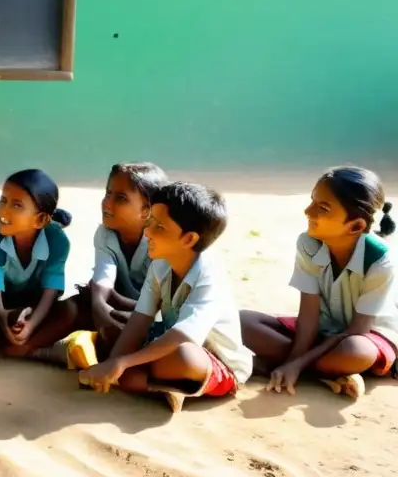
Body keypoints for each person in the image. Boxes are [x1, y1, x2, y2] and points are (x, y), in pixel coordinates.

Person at [79, 183, 252, 413]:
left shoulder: (210, 274)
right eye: (149, 221)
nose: (147, 231)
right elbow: (141, 319)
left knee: (182, 354)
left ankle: (160, 383)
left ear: (189, 239)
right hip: (167, 343)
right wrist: (113, 363)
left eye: (159, 226)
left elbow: (183, 336)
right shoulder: (161, 263)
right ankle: (164, 387)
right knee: (116, 332)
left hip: (211, 360)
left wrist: (123, 363)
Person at [240, 166, 397, 400]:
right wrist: (294, 361)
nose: (308, 211)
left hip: (365, 335)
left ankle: (320, 368)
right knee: (242, 322)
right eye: (313, 201)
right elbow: (309, 315)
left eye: (322, 208)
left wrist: (297, 364)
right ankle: (331, 373)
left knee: (355, 352)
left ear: (356, 226)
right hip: (322, 331)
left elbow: (357, 330)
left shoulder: (380, 260)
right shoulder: (308, 244)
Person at [0, 169, 77, 362]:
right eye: (3, 200)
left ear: (41, 219)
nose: (4, 210)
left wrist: (31, 324)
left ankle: (13, 348)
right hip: (1, 309)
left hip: (37, 309)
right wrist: (4, 320)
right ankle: (28, 351)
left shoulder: (57, 240)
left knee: (69, 311)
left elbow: (50, 292)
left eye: (17, 205)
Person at [58, 163, 168, 370]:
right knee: (71, 307)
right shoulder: (106, 234)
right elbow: (104, 277)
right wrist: (99, 304)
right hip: (118, 309)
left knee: (145, 329)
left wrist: (107, 302)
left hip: (150, 314)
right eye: (108, 193)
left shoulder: (160, 242)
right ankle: (42, 350)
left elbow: (159, 305)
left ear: (147, 210)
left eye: (121, 198)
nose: (107, 203)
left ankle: (83, 351)